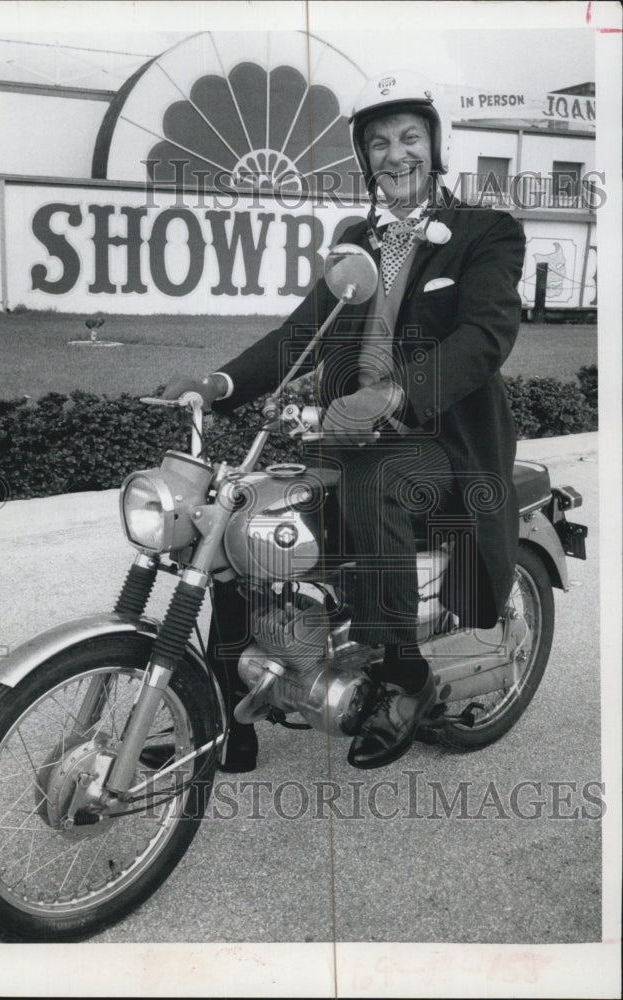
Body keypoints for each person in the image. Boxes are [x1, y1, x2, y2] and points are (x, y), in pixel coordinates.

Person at [163, 71, 526, 771]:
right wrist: (222, 382)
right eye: (379, 143)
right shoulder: (358, 237)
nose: (396, 155)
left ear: (436, 146)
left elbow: (485, 336)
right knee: (239, 516)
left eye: (410, 137)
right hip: (344, 427)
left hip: (438, 438)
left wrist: (396, 397)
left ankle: (403, 673)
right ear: (366, 160)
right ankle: (223, 714)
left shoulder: (486, 232)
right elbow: (307, 329)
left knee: (373, 481)